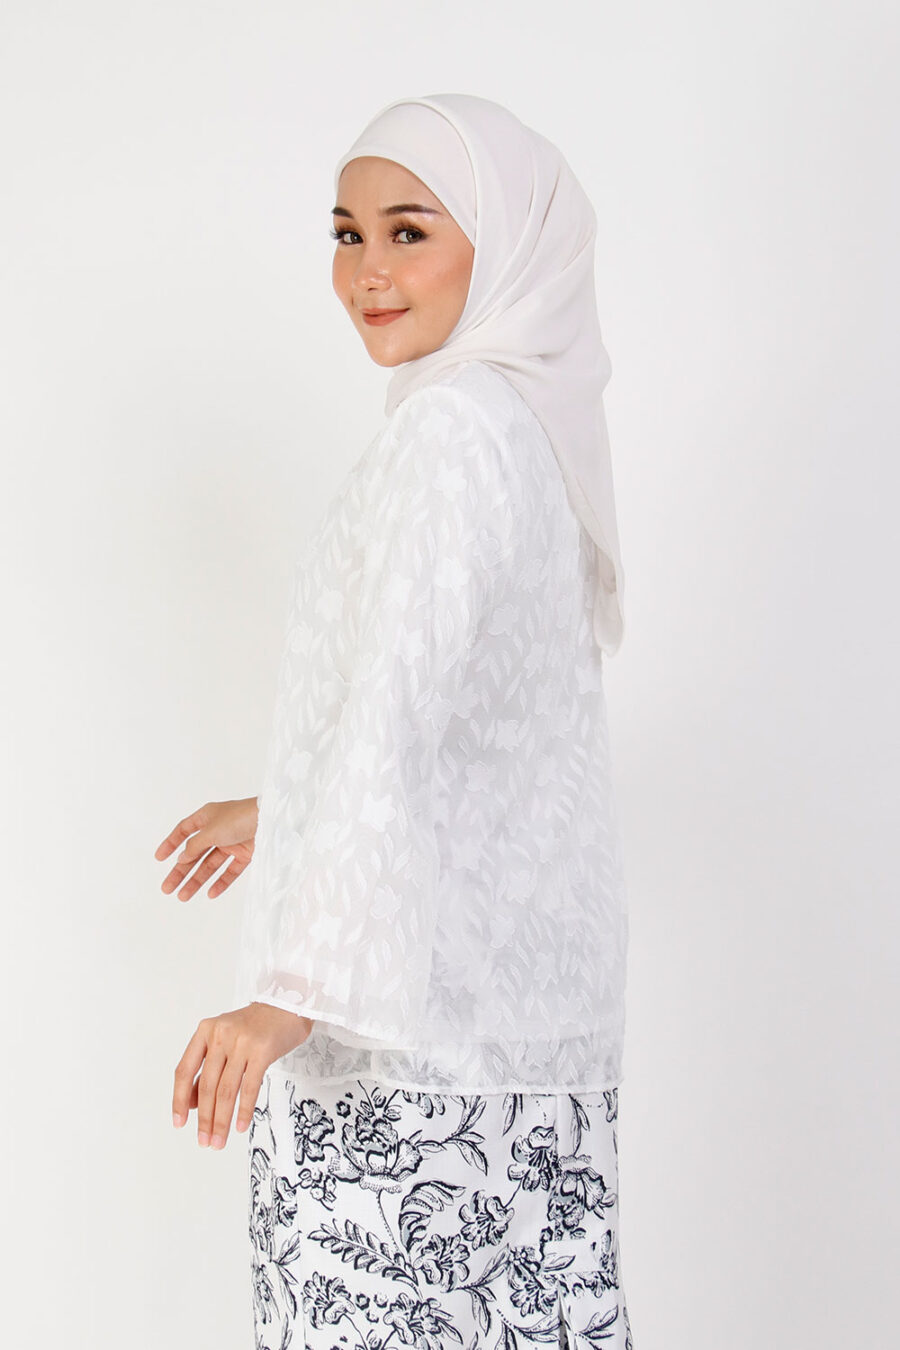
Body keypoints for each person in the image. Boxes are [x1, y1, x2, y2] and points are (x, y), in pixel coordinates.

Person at [154, 93, 634, 1350]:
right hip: (523, 1060)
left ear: (502, 240)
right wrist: (287, 803)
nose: (367, 271)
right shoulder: (526, 429)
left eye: (410, 231)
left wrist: (289, 993)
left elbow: (388, 713)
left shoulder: (449, 435)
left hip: (406, 1070)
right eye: (347, 233)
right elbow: (468, 716)